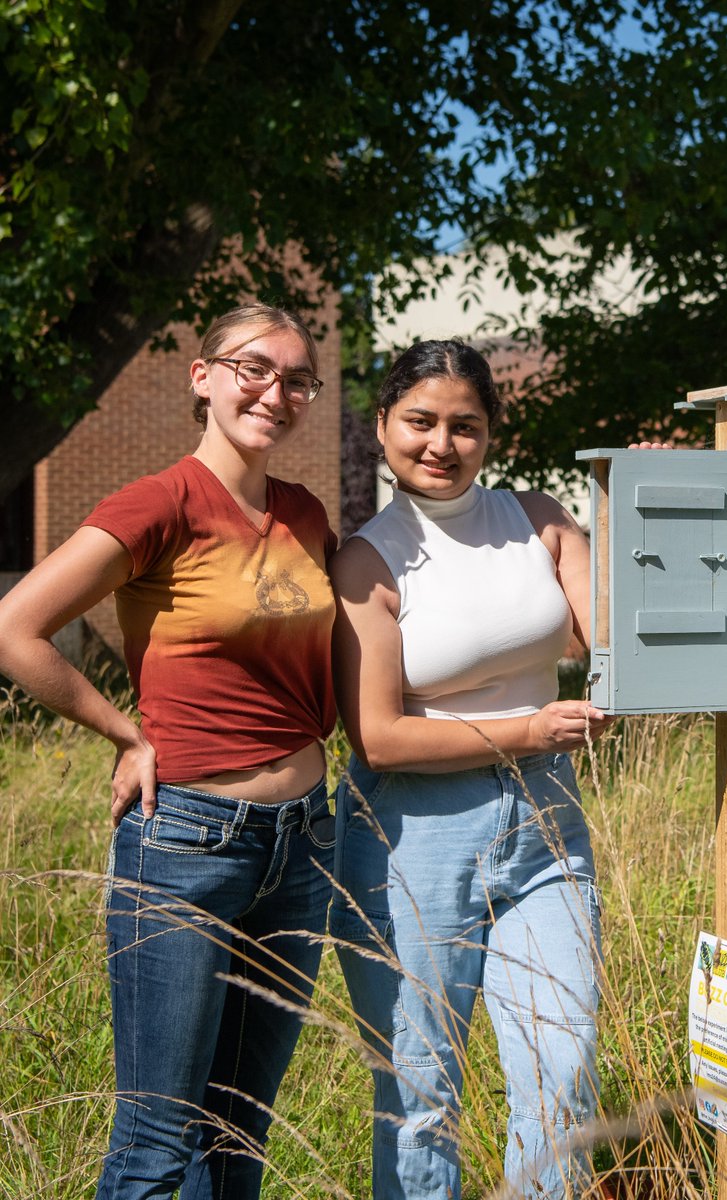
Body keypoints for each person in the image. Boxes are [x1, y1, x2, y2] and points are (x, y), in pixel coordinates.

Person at [0, 304, 338, 1199]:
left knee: (239, 1137)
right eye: (253, 368)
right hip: (187, 842)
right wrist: (125, 731)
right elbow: (15, 628)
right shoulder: (160, 502)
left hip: (303, 844)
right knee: (158, 1139)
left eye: (297, 379)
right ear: (204, 376)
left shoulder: (305, 515)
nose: (276, 392)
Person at [329, 339, 613, 1199]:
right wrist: (529, 727)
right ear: (382, 426)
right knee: (421, 1095)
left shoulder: (539, 519)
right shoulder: (367, 560)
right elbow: (378, 737)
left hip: (546, 834)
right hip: (412, 846)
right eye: (419, 422)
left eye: (465, 425)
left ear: (491, 433)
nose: (440, 444)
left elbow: (618, 646)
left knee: (563, 1070)